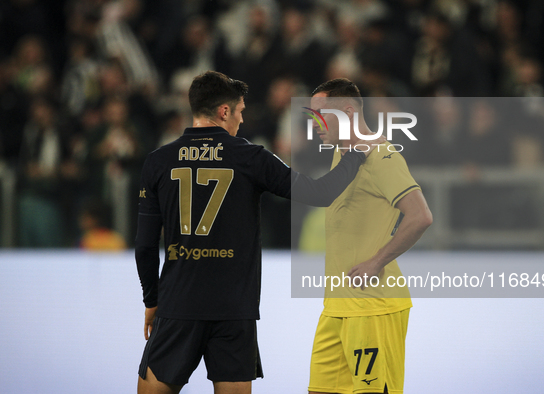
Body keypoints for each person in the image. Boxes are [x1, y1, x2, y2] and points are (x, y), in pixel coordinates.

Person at [135, 71, 377, 394]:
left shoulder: (157, 162)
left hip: (178, 304)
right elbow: (320, 193)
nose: (241, 120)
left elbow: (145, 246)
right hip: (234, 310)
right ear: (224, 112)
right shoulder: (251, 157)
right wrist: (357, 154)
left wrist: (152, 300)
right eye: (240, 112)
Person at [307, 79, 433, 394]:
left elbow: (420, 216)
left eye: (321, 115)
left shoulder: (382, 156)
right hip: (337, 306)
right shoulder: (345, 154)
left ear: (348, 112)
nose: (314, 124)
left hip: (371, 308)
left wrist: (377, 262)